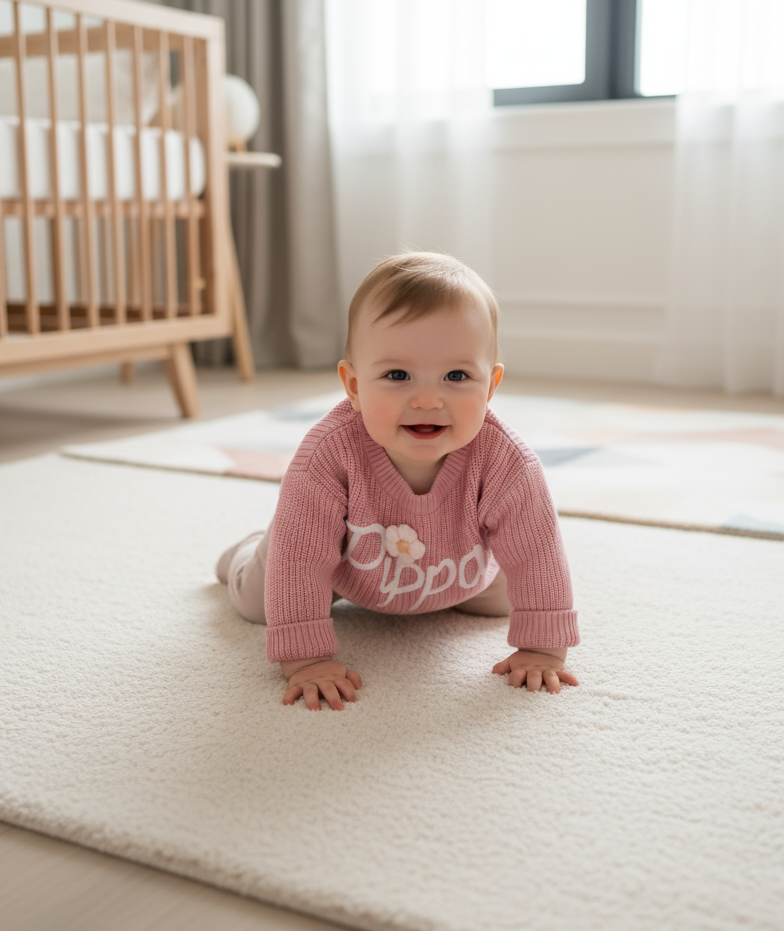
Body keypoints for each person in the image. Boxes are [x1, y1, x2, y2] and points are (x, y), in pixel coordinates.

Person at [216, 252, 579, 711]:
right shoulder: (327, 458)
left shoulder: (507, 460)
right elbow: (302, 560)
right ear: (353, 385)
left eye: (456, 376)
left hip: (459, 565)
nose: (427, 399)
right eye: (397, 375)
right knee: (261, 603)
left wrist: (543, 646)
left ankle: (455, 592)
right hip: (345, 570)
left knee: (518, 593)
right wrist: (306, 659)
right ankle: (248, 551)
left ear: (490, 387)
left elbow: (537, 548)